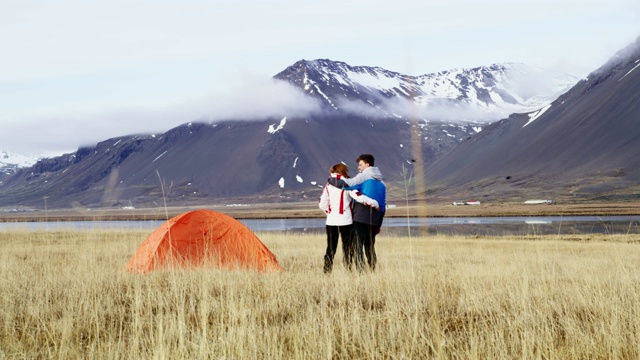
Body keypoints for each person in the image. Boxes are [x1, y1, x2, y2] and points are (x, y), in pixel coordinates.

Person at [327, 154, 386, 271]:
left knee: (357, 246)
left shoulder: (364, 176)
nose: (359, 167)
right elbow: (383, 206)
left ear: (367, 165)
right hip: (374, 219)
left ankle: (361, 272)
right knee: (370, 247)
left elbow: (346, 185)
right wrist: (379, 224)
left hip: (360, 217)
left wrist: (331, 179)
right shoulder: (382, 183)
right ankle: (372, 270)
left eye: (360, 164)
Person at [318, 163, 354, 273]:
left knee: (331, 248)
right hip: (346, 220)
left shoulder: (328, 186)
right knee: (347, 247)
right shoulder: (348, 184)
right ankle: (348, 270)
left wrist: (329, 212)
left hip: (332, 220)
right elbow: (355, 198)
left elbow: (322, 204)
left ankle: (327, 270)